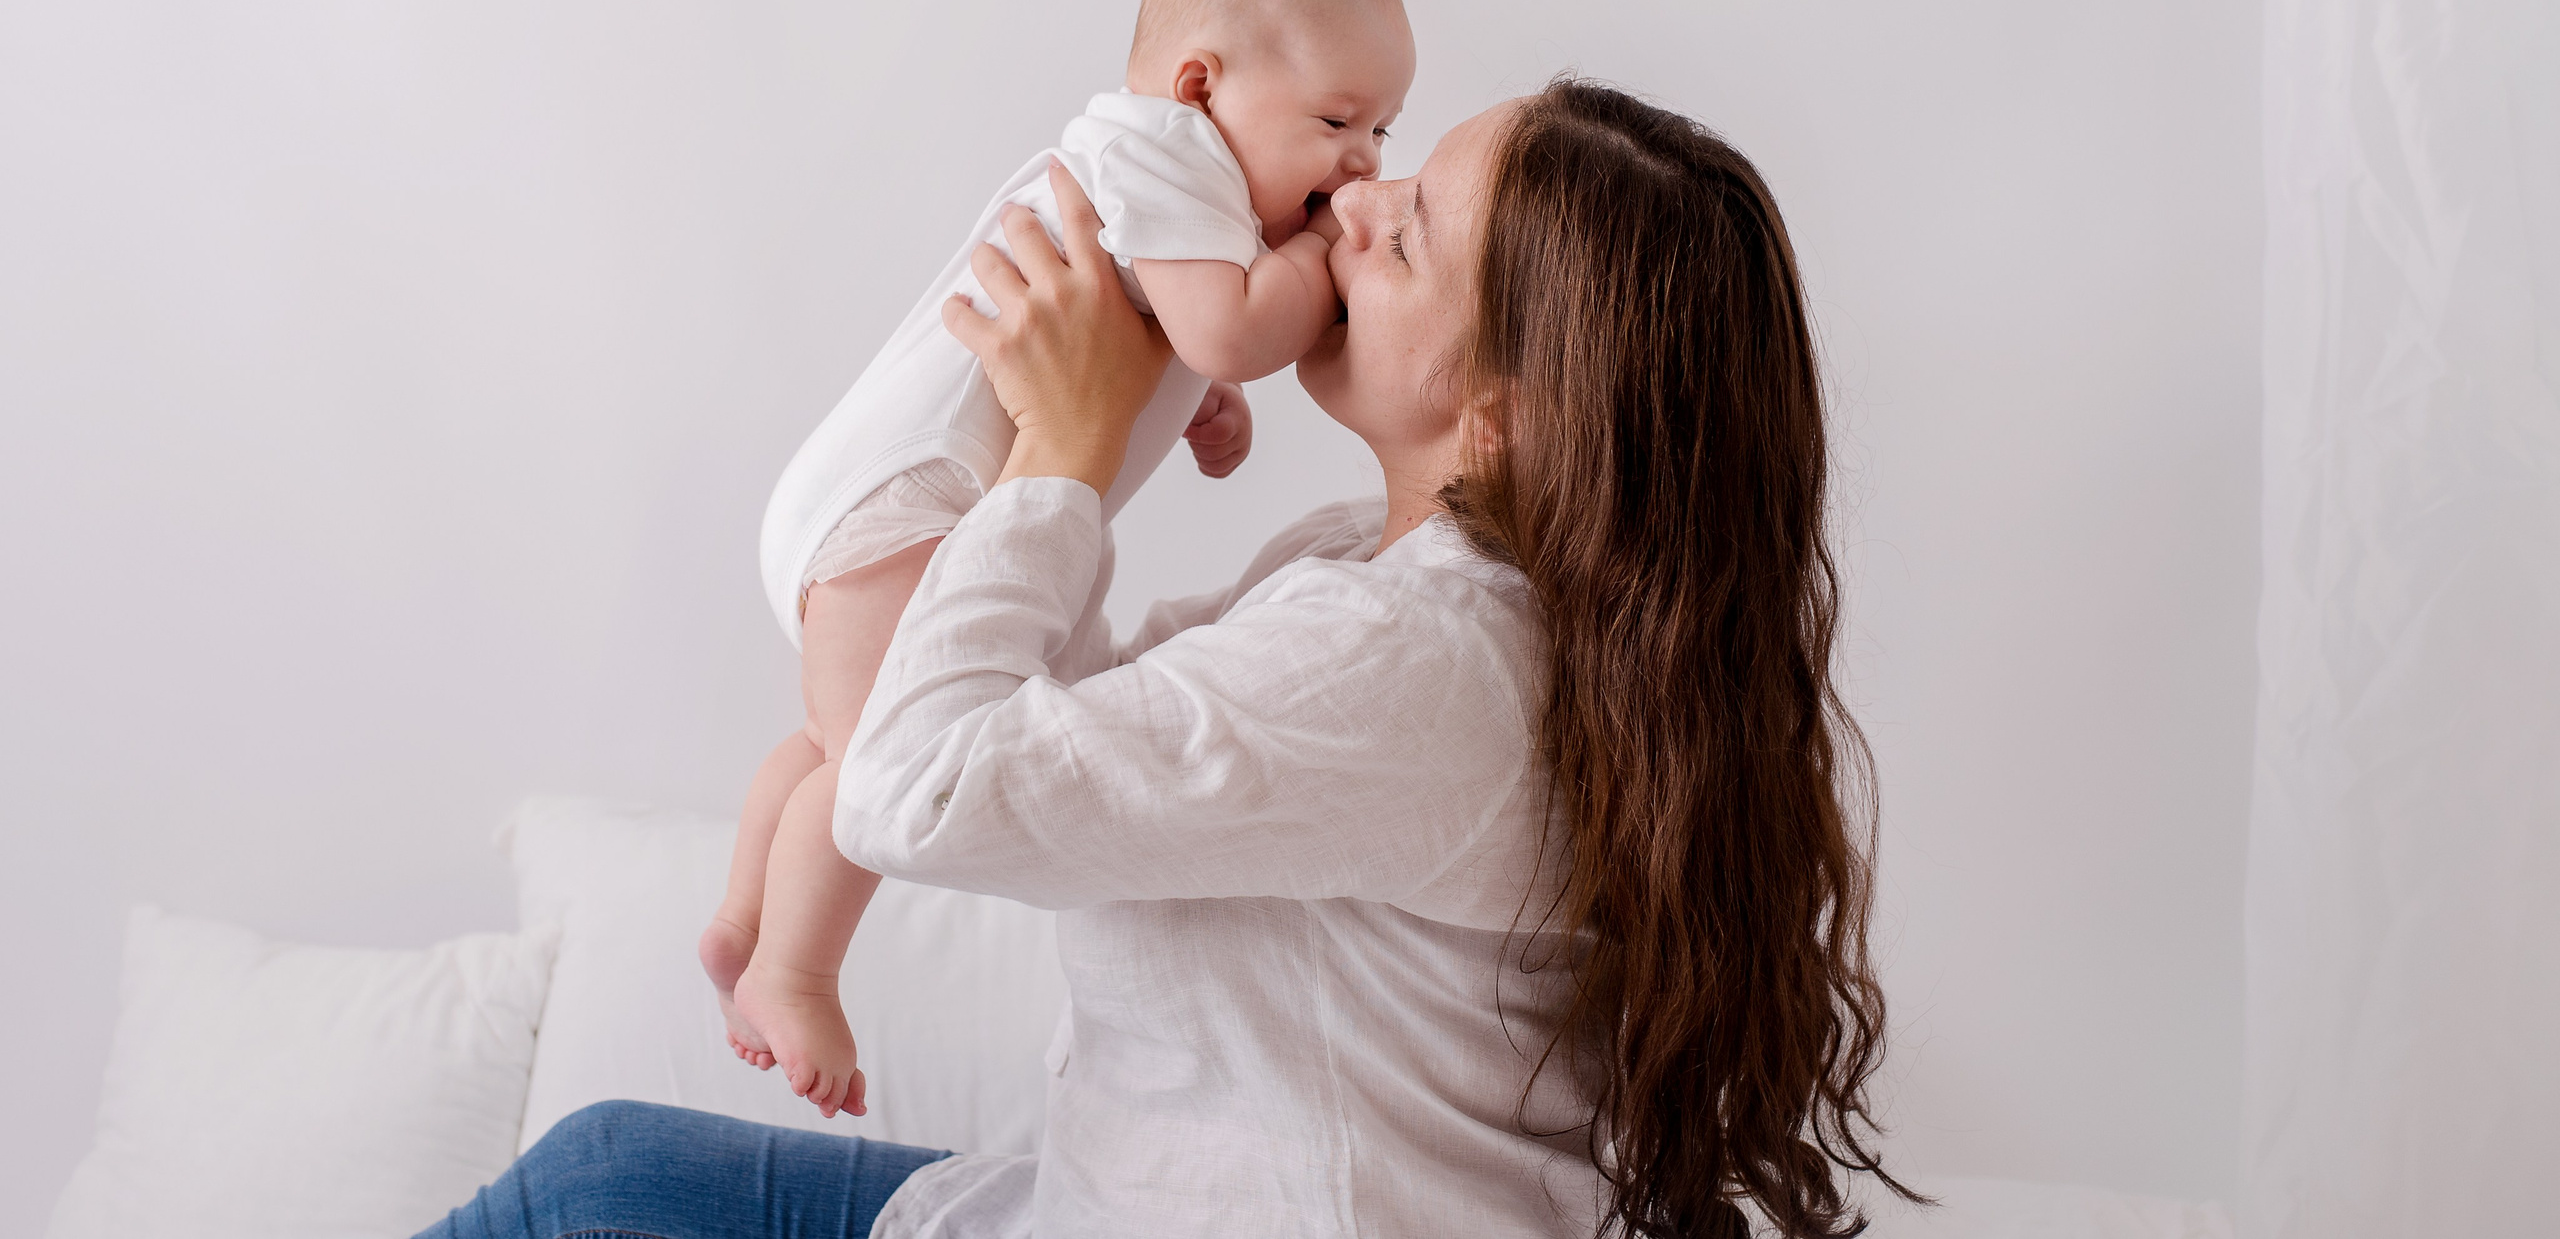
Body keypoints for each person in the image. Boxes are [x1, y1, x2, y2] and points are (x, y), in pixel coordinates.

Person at [431, 79, 1908, 1239]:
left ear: (1507, 416)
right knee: (607, 1170)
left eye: (1410, 231)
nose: (1351, 203)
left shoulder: (1414, 657)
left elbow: (917, 789)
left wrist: (1066, 449)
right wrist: (1087, 421)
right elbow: (1052, 724)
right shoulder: (1389, 585)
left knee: (595, 1194)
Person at [707, 0, 1414, 1116]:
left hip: (873, 491)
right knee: (880, 760)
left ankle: (739, 920)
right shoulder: (1170, 154)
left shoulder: (1159, 181)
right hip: (914, 500)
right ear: (1199, 86)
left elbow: (1164, 341)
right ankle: (797, 968)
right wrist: (1299, 282)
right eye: (1338, 121)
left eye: (1383, 128)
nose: (1362, 166)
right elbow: (1224, 327)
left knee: (834, 737)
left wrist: (1197, 401)